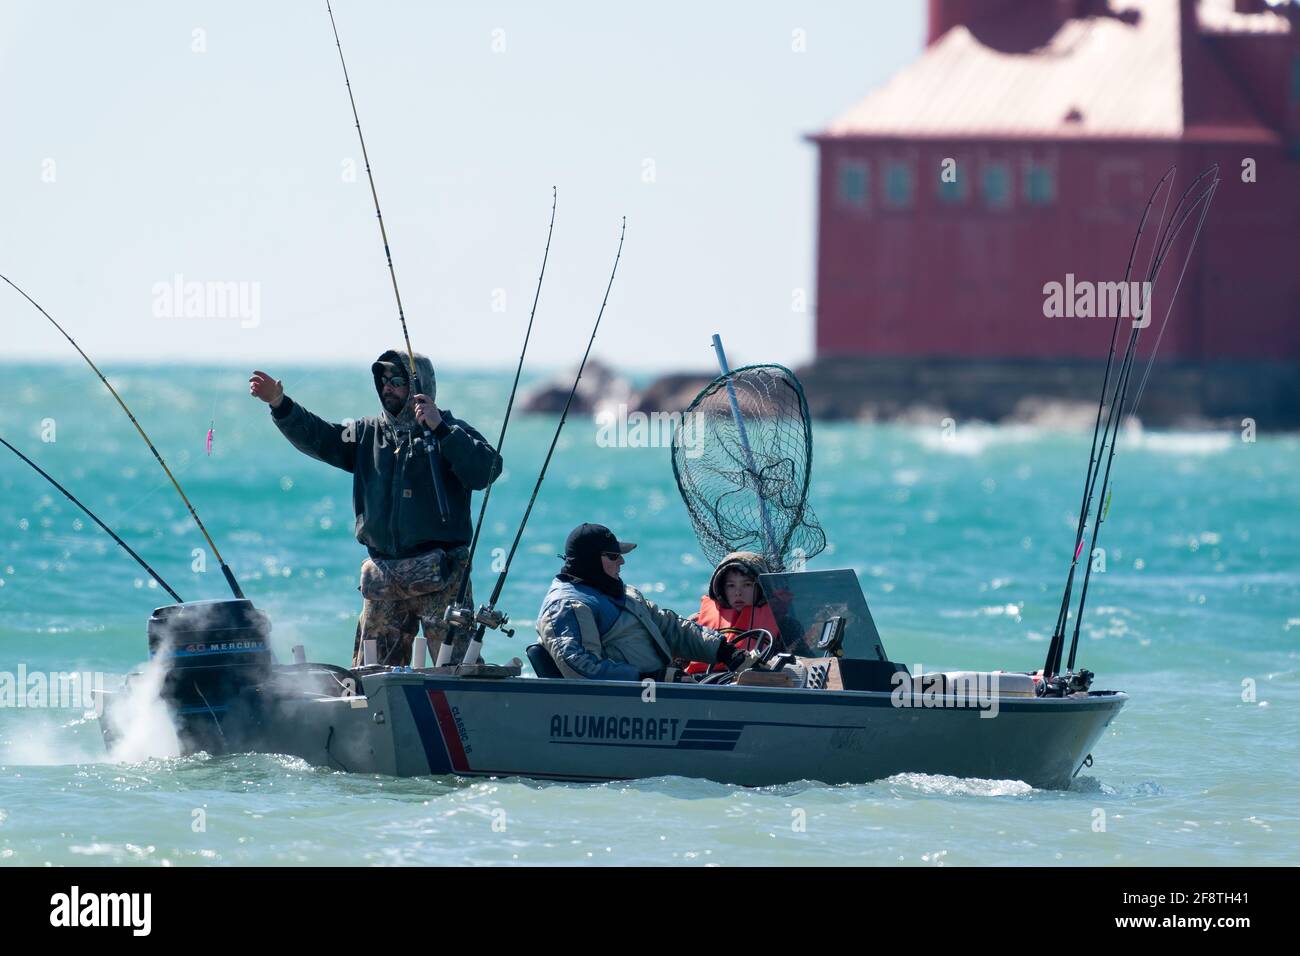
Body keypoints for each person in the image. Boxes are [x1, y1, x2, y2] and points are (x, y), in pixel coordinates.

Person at [249, 349, 501, 667]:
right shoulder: (368, 433)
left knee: (458, 669)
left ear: (421, 385)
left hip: (443, 575)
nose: (388, 387)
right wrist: (280, 404)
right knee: (371, 673)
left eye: (397, 380)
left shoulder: (449, 430)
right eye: (383, 380)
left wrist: (441, 430)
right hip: (384, 576)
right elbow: (320, 437)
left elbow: (486, 470)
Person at [536, 523, 746, 681]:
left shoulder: (624, 593)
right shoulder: (567, 605)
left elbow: (670, 627)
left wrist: (726, 651)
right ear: (589, 560)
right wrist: (650, 678)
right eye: (613, 556)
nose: (622, 561)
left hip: (659, 693)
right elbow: (579, 667)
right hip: (629, 705)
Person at [683, 551, 782, 676]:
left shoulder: (782, 623)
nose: (738, 593)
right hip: (704, 683)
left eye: (746, 585)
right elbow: (677, 658)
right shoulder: (696, 621)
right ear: (721, 588)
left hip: (754, 684)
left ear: (761, 587)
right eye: (731, 586)